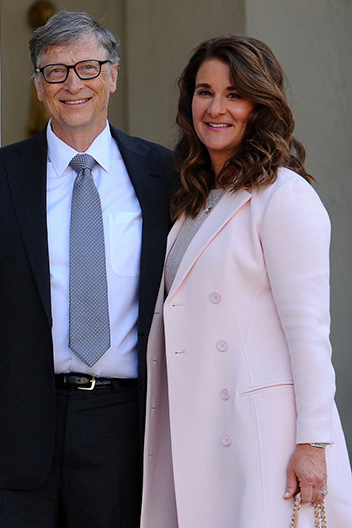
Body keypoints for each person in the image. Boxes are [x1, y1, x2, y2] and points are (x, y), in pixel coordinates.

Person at [0, 11, 175, 527]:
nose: (72, 84)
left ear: (112, 76)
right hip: (10, 426)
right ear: (39, 87)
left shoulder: (165, 176)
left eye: (87, 68)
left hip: (122, 428)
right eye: (55, 71)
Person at [140, 35, 352, 527]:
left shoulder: (284, 195)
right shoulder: (193, 199)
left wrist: (313, 442)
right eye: (205, 92)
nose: (216, 108)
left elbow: (309, 333)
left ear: (260, 105)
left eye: (234, 94)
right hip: (197, 431)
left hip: (261, 439)